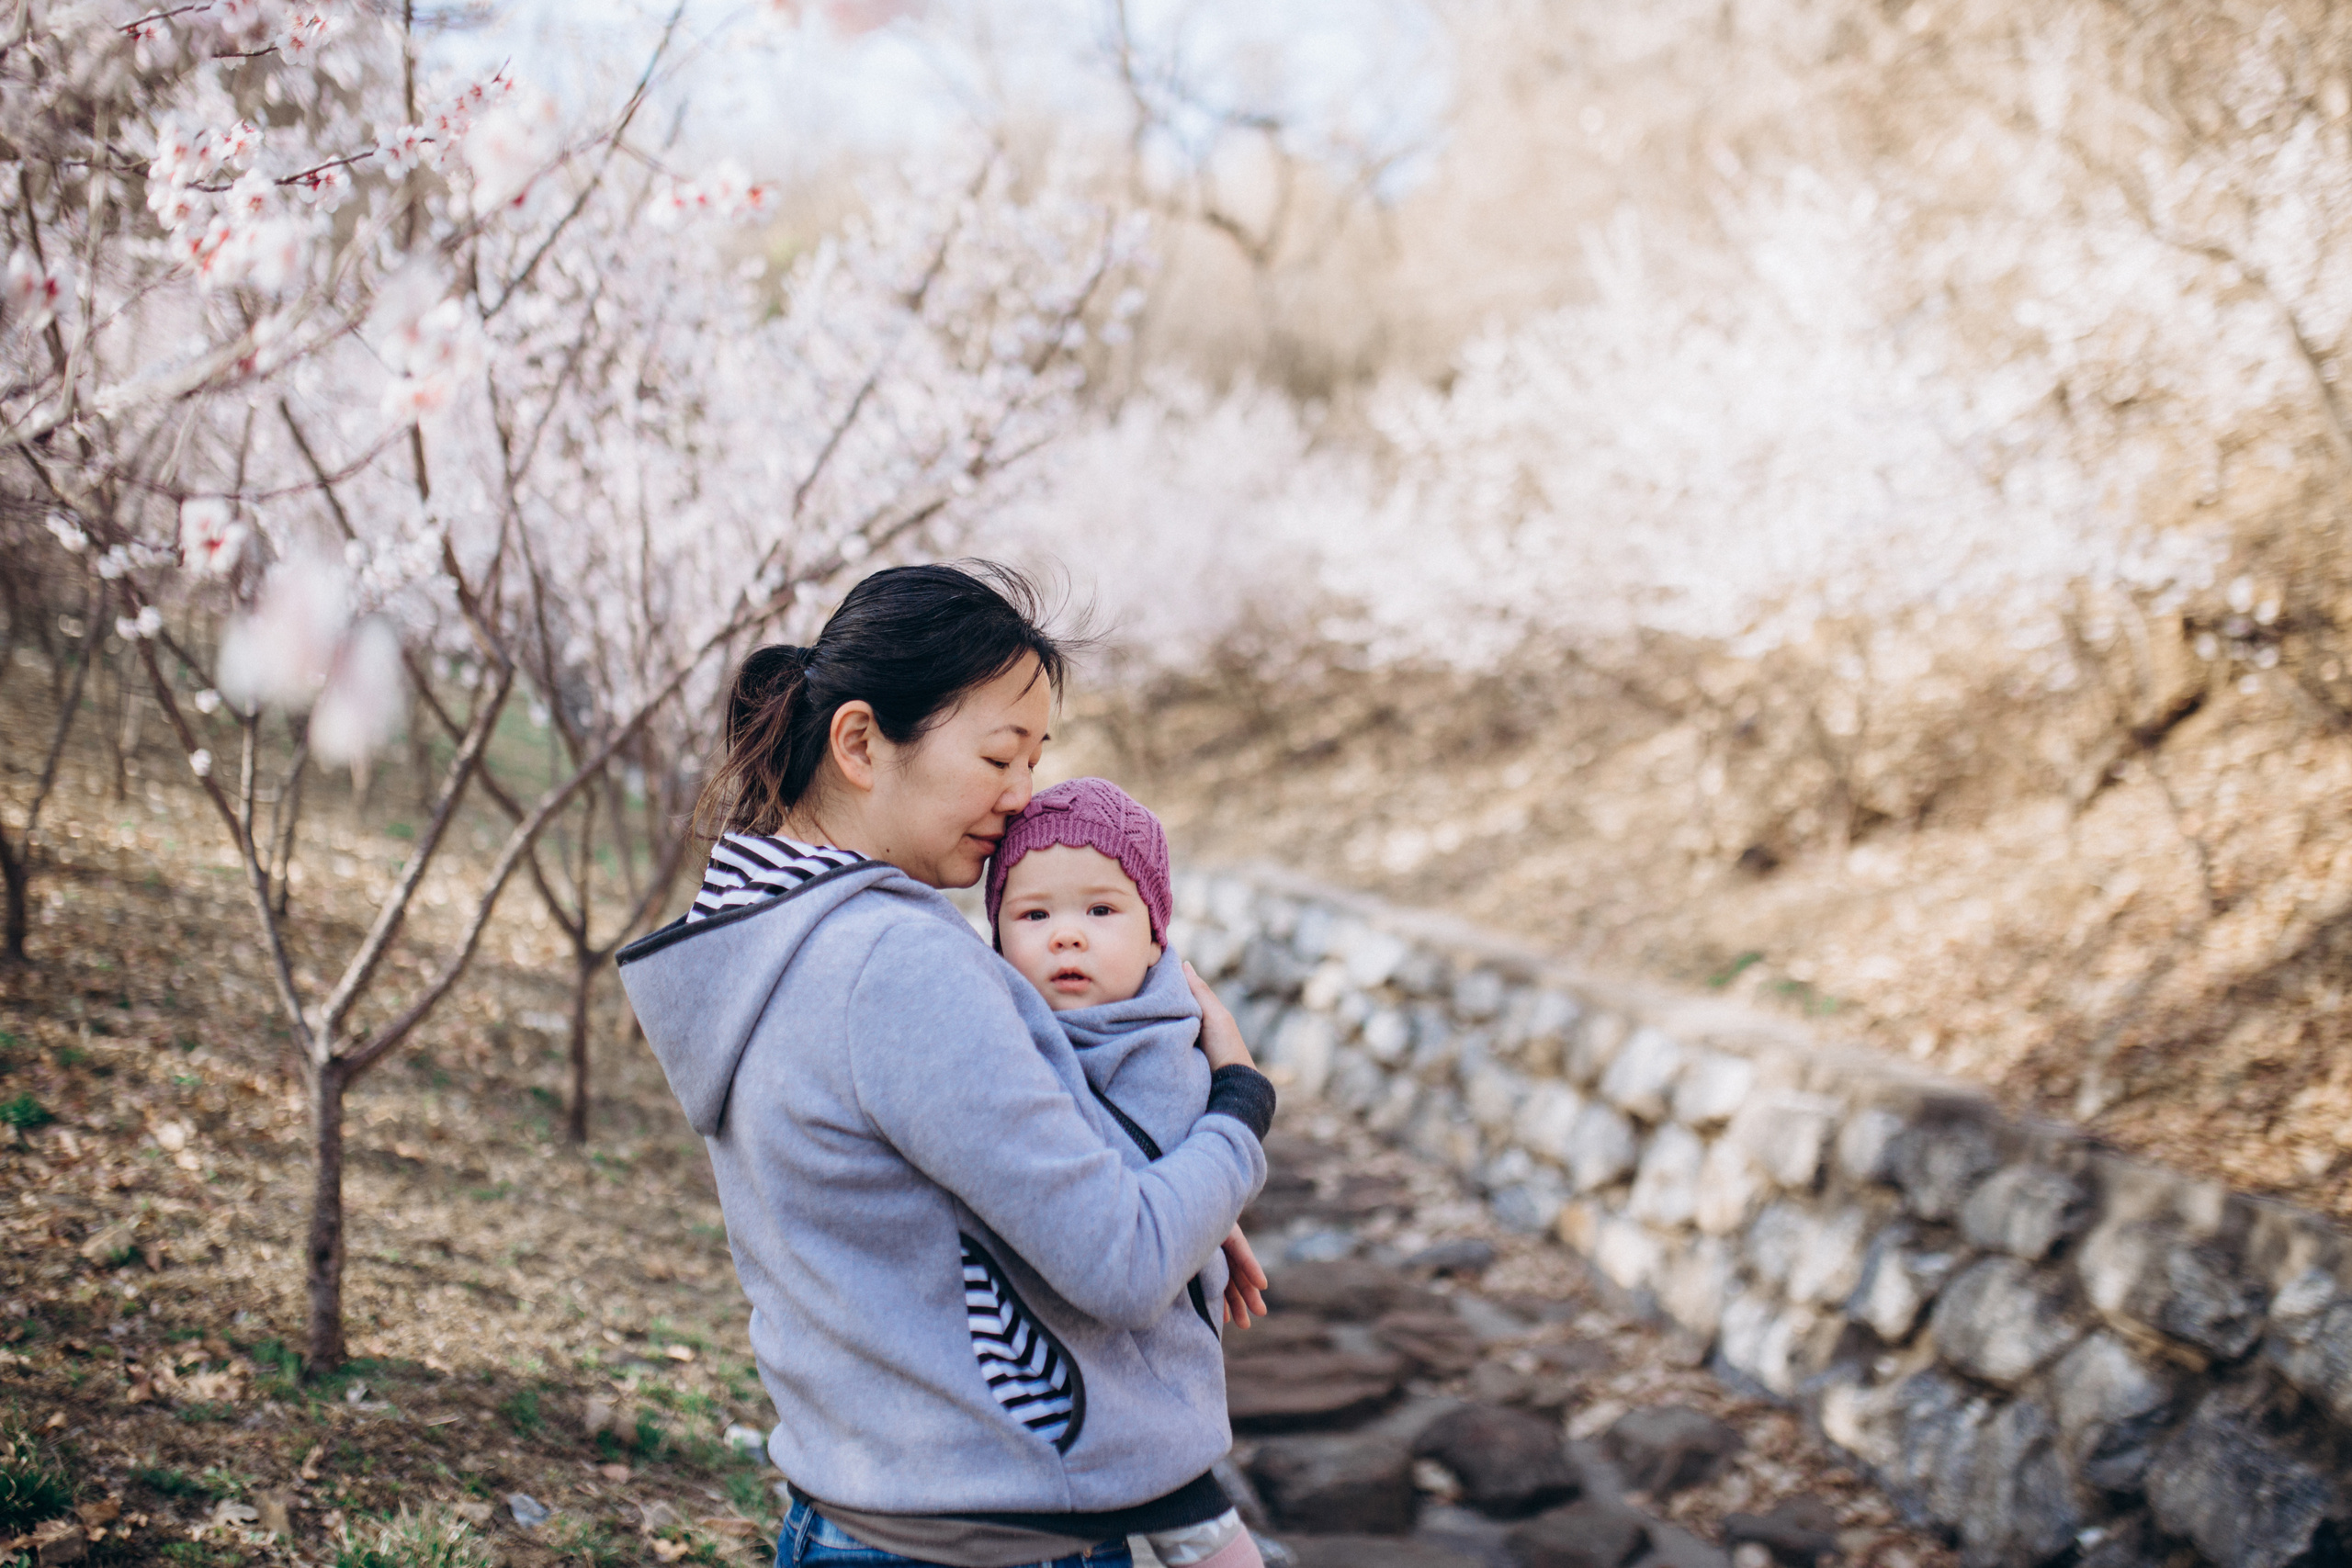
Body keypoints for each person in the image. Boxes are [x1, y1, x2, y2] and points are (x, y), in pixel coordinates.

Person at [616, 563, 1276, 1568]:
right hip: (981, 1540)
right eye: (999, 758)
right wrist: (1235, 1105)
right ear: (859, 742)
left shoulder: (765, 938)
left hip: (861, 1509)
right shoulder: (892, 962)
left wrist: (1176, 1190)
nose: (1022, 800)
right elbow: (1126, 1262)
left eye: (1035, 761)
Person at [986, 777, 1273, 1568]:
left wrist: (1209, 1212)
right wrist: (1238, 1107)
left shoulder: (1171, 1035)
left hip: (1171, 1371)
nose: (1066, 937)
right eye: (1034, 914)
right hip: (1070, 1396)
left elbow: (1167, 1148)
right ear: (998, 934)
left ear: (1156, 934)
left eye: (1101, 911)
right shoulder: (1000, 1044)